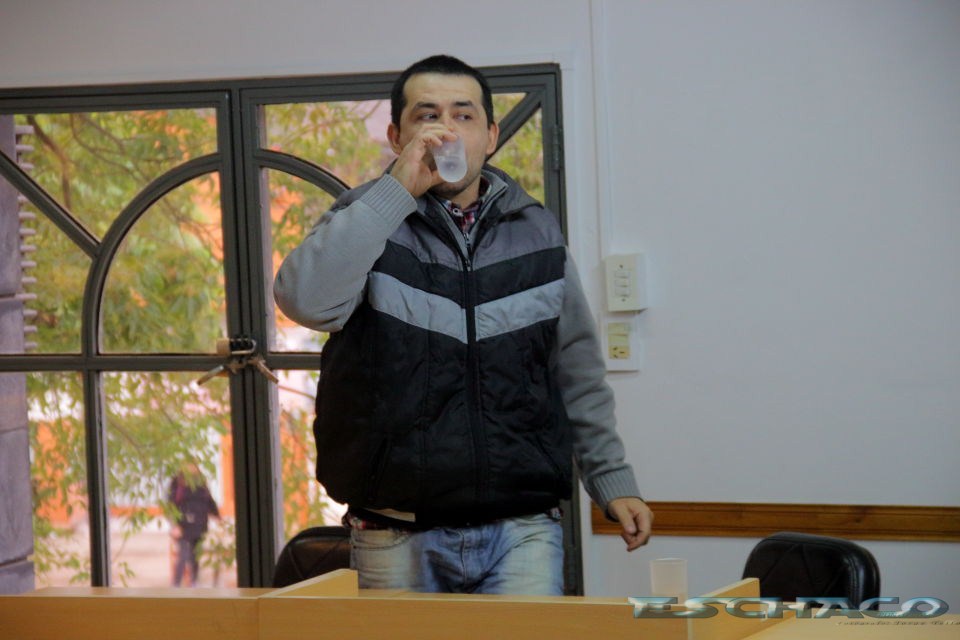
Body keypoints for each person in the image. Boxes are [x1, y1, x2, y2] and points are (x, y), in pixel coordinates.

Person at [274, 54, 653, 595]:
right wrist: (396, 192)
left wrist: (610, 478)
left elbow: (576, 370)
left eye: (464, 115)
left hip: (521, 530)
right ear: (397, 136)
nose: (446, 130)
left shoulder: (536, 231)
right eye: (427, 116)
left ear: (491, 135)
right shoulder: (363, 219)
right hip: (392, 531)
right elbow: (306, 302)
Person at [167, 462, 220, 587]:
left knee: (195, 555)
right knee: (184, 555)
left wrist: (217, 516)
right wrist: (174, 525)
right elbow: (170, 506)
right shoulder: (177, 483)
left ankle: (194, 582)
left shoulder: (201, 483)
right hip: (182, 526)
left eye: (193, 466)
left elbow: (209, 501)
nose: (191, 469)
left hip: (199, 525)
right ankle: (176, 584)